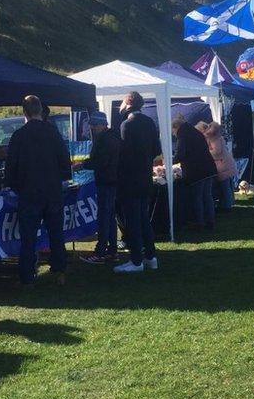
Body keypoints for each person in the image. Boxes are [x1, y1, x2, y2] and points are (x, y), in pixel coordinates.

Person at [5, 95, 71, 285]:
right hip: (52, 191)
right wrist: (63, 177)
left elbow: (11, 166)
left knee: (28, 237)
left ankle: (27, 276)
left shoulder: (19, 135)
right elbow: (64, 159)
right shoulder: (53, 132)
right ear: (41, 110)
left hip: (29, 192)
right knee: (56, 234)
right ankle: (60, 272)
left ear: (24, 112)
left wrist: (14, 185)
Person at [114, 91, 162, 274]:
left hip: (130, 180)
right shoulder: (149, 122)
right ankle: (151, 257)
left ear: (128, 103)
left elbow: (124, 156)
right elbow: (156, 149)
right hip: (145, 178)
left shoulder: (127, 125)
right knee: (144, 220)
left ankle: (136, 261)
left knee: (133, 222)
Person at [79, 111, 121, 264]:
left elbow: (101, 161)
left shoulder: (105, 139)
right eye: (91, 125)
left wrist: (84, 164)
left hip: (107, 181)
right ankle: (112, 250)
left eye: (95, 125)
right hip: (110, 181)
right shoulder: (112, 137)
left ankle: (101, 251)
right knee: (109, 216)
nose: (92, 128)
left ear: (103, 125)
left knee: (104, 216)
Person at [172, 116, 218, 230]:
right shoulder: (195, 132)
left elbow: (180, 153)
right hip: (208, 167)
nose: (173, 134)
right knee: (207, 196)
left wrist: (170, 161)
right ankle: (210, 221)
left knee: (197, 197)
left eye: (172, 131)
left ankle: (200, 222)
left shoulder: (182, 134)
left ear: (176, 127)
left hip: (197, 170)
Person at [198, 121, 237, 212]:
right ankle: (229, 203)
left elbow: (216, 151)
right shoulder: (217, 137)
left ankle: (227, 206)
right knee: (228, 186)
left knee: (225, 187)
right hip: (225, 163)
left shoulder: (213, 138)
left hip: (222, 165)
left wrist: (206, 153)